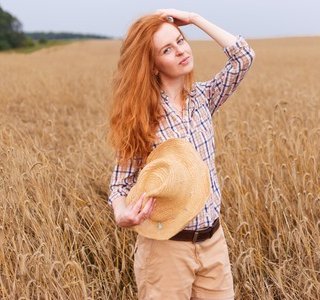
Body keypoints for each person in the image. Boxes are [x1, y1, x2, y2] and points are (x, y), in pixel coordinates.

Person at [108, 8, 255, 300]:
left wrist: (195, 19)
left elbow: (243, 58)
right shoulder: (142, 118)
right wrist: (122, 214)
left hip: (213, 242)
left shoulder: (202, 98)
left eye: (180, 40)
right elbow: (119, 185)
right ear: (152, 65)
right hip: (166, 251)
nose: (180, 51)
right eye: (167, 49)